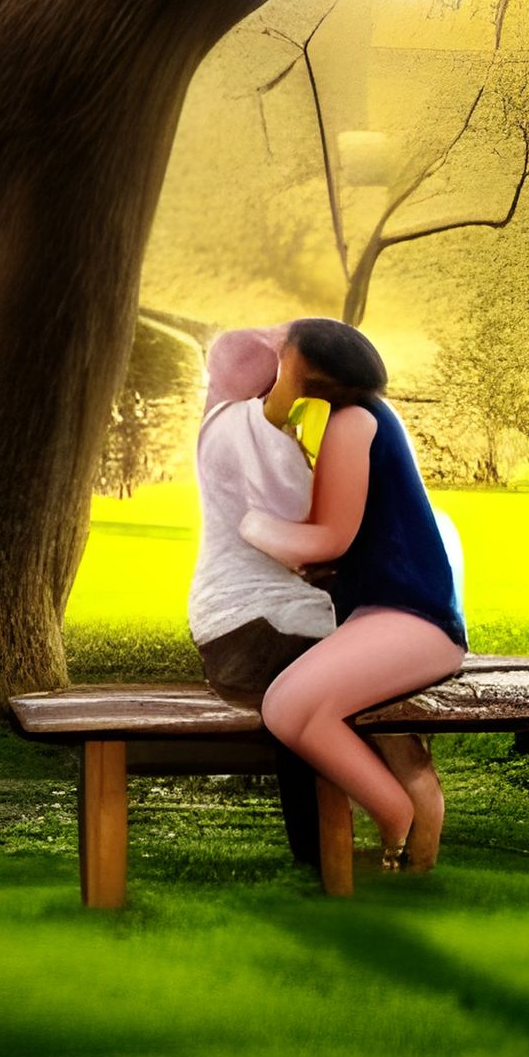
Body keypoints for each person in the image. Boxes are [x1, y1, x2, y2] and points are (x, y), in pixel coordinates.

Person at [240, 318, 466, 872]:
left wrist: (251, 525)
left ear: (309, 373)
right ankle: (401, 831)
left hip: (414, 619)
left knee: (287, 707)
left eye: (281, 355)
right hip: (388, 615)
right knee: (299, 709)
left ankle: (395, 818)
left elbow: (328, 539)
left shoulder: (352, 423)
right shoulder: (360, 419)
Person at [188, 321, 331, 864]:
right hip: (256, 624)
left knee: (326, 680)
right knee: (334, 680)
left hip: (240, 622)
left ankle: (325, 851)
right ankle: (322, 852)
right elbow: (305, 527)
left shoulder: (222, 422)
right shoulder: (250, 426)